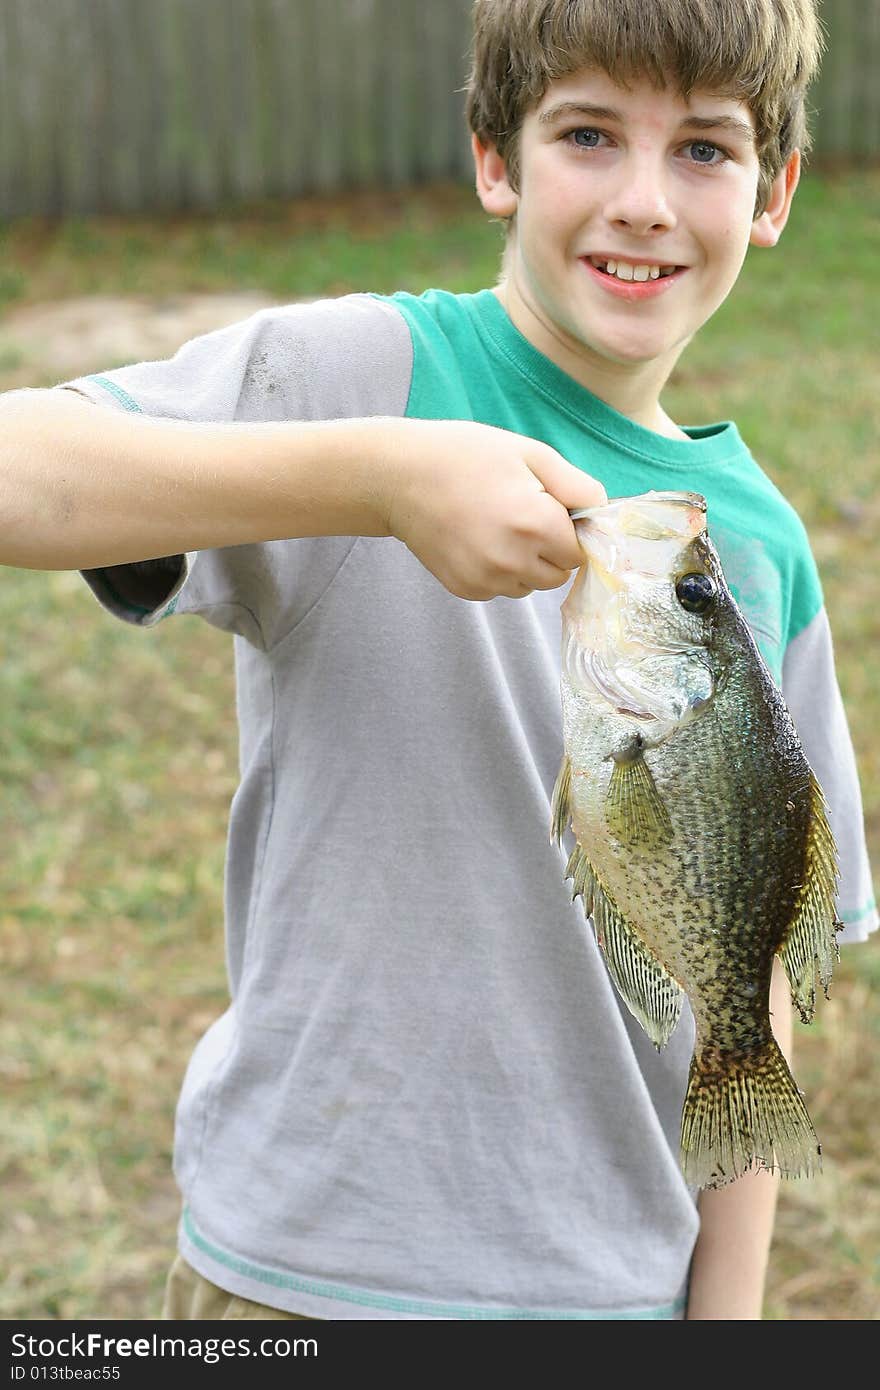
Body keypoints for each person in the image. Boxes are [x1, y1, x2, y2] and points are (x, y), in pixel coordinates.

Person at [2, 0, 875, 1321]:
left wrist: (730, 1311)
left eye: (705, 149)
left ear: (774, 193)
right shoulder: (367, 373)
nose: (645, 200)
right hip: (298, 1276)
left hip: (617, 1291)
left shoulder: (754, 547)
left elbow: (753, 967)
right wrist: (381, 474)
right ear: (494, 160)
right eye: (589, 134)